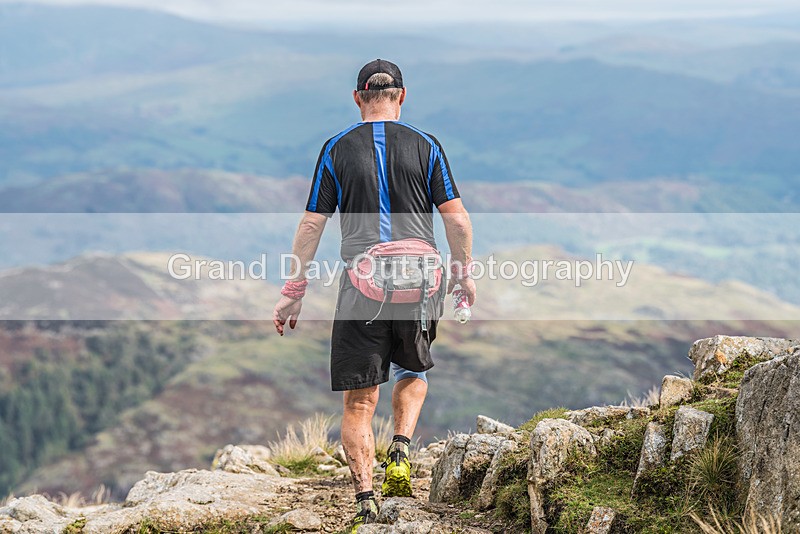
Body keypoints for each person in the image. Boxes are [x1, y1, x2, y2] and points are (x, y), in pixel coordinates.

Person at [272, 59, 476, 532]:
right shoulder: (427, 146)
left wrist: (294, 290)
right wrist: (463, 274)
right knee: (413, 368)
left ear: (357, 97)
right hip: (421, 283)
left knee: (360, 402)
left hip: (362, 287)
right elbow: (458, 220)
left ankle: (366, 499)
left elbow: (311, 224)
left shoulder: (336, 148)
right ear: (402, 96)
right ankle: (401, 448)